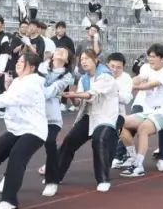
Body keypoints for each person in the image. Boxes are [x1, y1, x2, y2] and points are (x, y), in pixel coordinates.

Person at [0, 52, 47, 209]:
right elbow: (7, 95)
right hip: (16, 129)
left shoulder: (33, 83)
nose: (18, 63)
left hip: (34, 130)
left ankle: (10, 200)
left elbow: (11, 99)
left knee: (17, 156)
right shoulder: (17, 81)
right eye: (18, 60)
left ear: (32, 67)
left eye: (22, 61)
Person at [51, 49, 121, 193]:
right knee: (69, 141)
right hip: (88, 116)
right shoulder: (84, 79)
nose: (83, 62)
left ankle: (103, 180)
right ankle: (55, 176)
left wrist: (75, 94)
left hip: (105, 116)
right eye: (82, 59)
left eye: (87, 59)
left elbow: (90, 94)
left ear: (96, 60)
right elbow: (78, 102)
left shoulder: (106, 76)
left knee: (99, 140)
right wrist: (71, 96)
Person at [117, 43, 163, 177]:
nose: (150, 59)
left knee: (143, 129)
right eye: (149, 56)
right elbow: (140, 79)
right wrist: (127, 83)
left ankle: (139, 165)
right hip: (147, 111)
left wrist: (131, 87)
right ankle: (133, 158)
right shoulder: (145, 67)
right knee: (119, 121)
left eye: (154, 57)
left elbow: (151, 84)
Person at [38, 47, 76, 196]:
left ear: (67, 60)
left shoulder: (67, 76)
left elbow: (48, 93)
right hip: (34, 115)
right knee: (20, 145)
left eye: (64, 52)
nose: (60, 51)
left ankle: (52, 180)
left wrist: (36, 90)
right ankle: (9, 177)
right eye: (58, 50)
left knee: (50, 143)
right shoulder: (42, 66)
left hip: (52, 117)